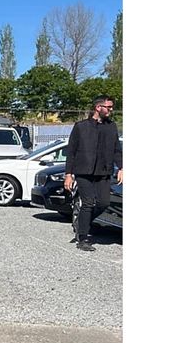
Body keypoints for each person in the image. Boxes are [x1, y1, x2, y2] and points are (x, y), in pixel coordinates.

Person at [64, 96, 122, 252]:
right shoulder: (81, 127)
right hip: (84, 172)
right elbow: (71, 152)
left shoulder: (111, 127)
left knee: (104, 203)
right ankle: (83, 238)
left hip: (103, 172)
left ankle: (82, 222)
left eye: (111, 107)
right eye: (108, 107)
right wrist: (68, 174)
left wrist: (121, 168)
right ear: (98, 107)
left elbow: (117, 150)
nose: (111, 109)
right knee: (88, 203)